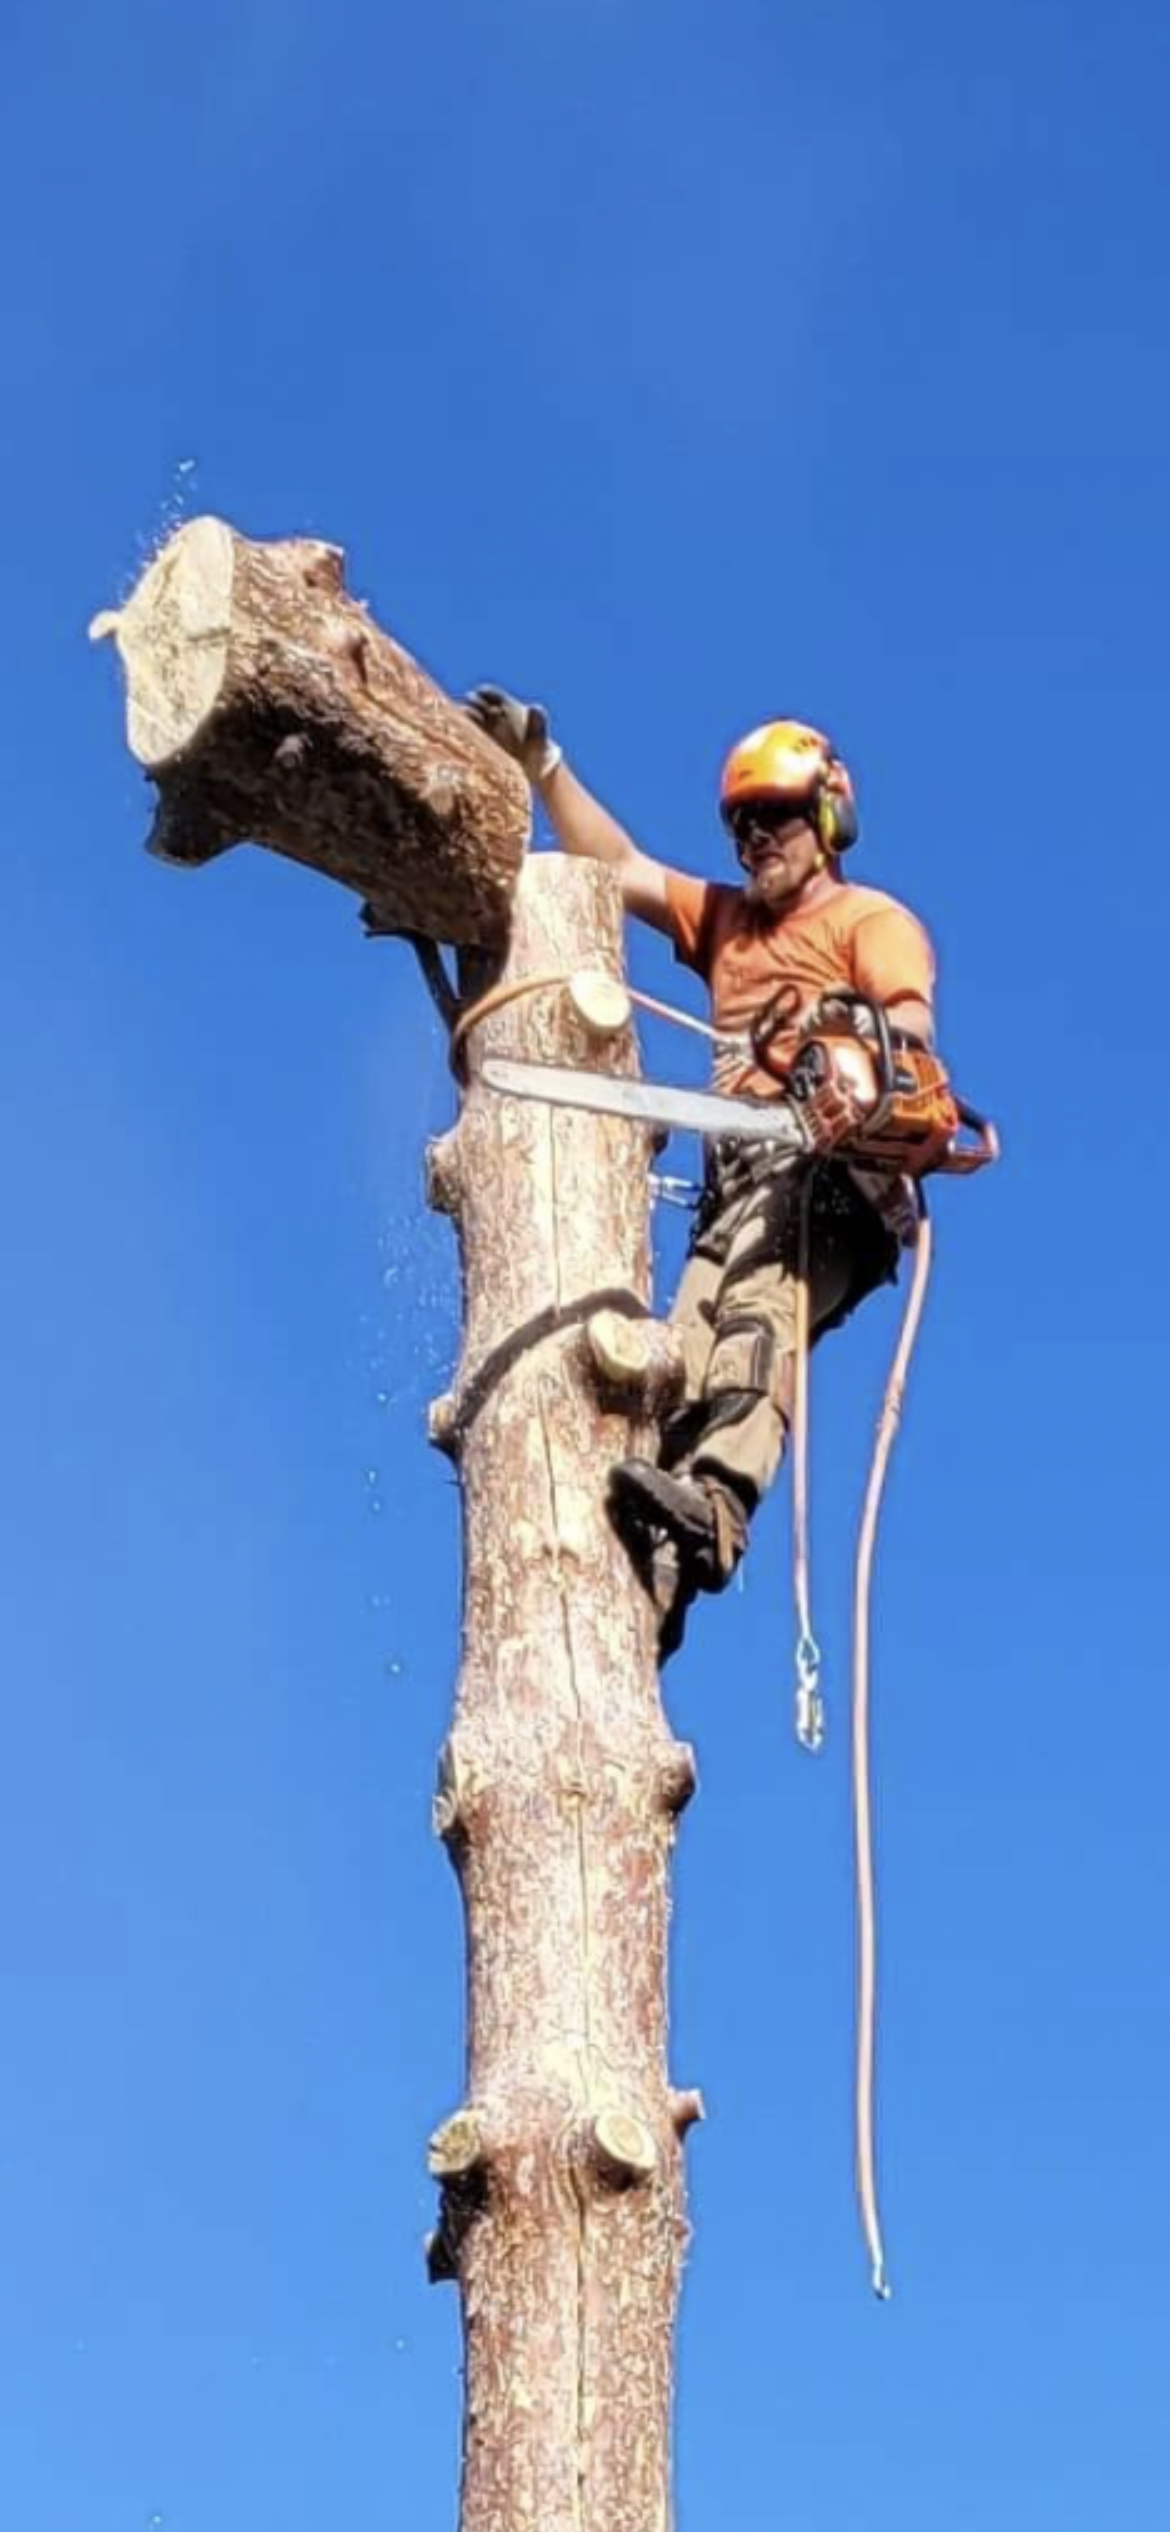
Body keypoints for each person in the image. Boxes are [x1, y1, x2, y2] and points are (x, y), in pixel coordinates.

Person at [464, 689, 939, 1655]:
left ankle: (718, 1508)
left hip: (834, 1180)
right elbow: (622, 868)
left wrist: (848, 1046)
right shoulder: (725, 923)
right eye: (745, 828)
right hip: (741, 1184)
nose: (759, 842)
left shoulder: (868, 918)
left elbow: (911, 1023)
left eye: (775, 820)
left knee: (760, 1317)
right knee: (677, 1353)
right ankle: (661, 1569)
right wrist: (544, 769)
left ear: (827, 818)